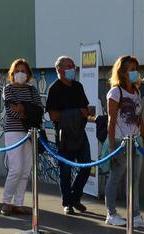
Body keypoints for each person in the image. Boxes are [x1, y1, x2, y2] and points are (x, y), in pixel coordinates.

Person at [104, 55, 144, 228]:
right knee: (116, 177)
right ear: (122, 72)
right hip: (119, 141)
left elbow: (139, 117)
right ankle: (111, 213)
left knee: (135, 179)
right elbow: (111, 121)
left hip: (136, 141)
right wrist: (111, 146)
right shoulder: (115, 92)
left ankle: (135, 215)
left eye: (135, 68)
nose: (134, 72)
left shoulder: (137, 91)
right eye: (130, 69)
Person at [47, 55, 92, 215]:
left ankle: (75, 197)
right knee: (65, 171)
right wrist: (76, 113)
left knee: (86, 166)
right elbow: (53, 116)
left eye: (73, 66)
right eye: (69, 66)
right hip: (63, 135)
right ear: (60, 70)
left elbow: (86, 111)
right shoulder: (54, 89)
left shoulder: (78, 87)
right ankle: (67, 202)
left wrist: (77, 113)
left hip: (80, 133)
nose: (73, 69)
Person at [0, 58, 42, 216]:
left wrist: (22, 109)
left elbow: (38, 109)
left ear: (28, 74)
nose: (20, 74)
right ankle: (6, 201)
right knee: (16, 168)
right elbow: (11, 110)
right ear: (12, 73)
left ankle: (18, 203)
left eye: (23, 71)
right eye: (17, 71)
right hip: (14, 131)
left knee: (26, 169)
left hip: (30, 132)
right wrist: (26, 111)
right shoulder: (8, 89)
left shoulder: (33, 90)